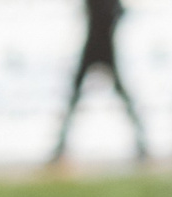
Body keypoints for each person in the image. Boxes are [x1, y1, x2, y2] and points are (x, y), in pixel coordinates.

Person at [49, 0, 149, 165]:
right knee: (76, 99)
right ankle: (142, 145)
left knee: (76, 99)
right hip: (96, 46)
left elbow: (118, 12)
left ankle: (142, 144)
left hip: (101, 46)